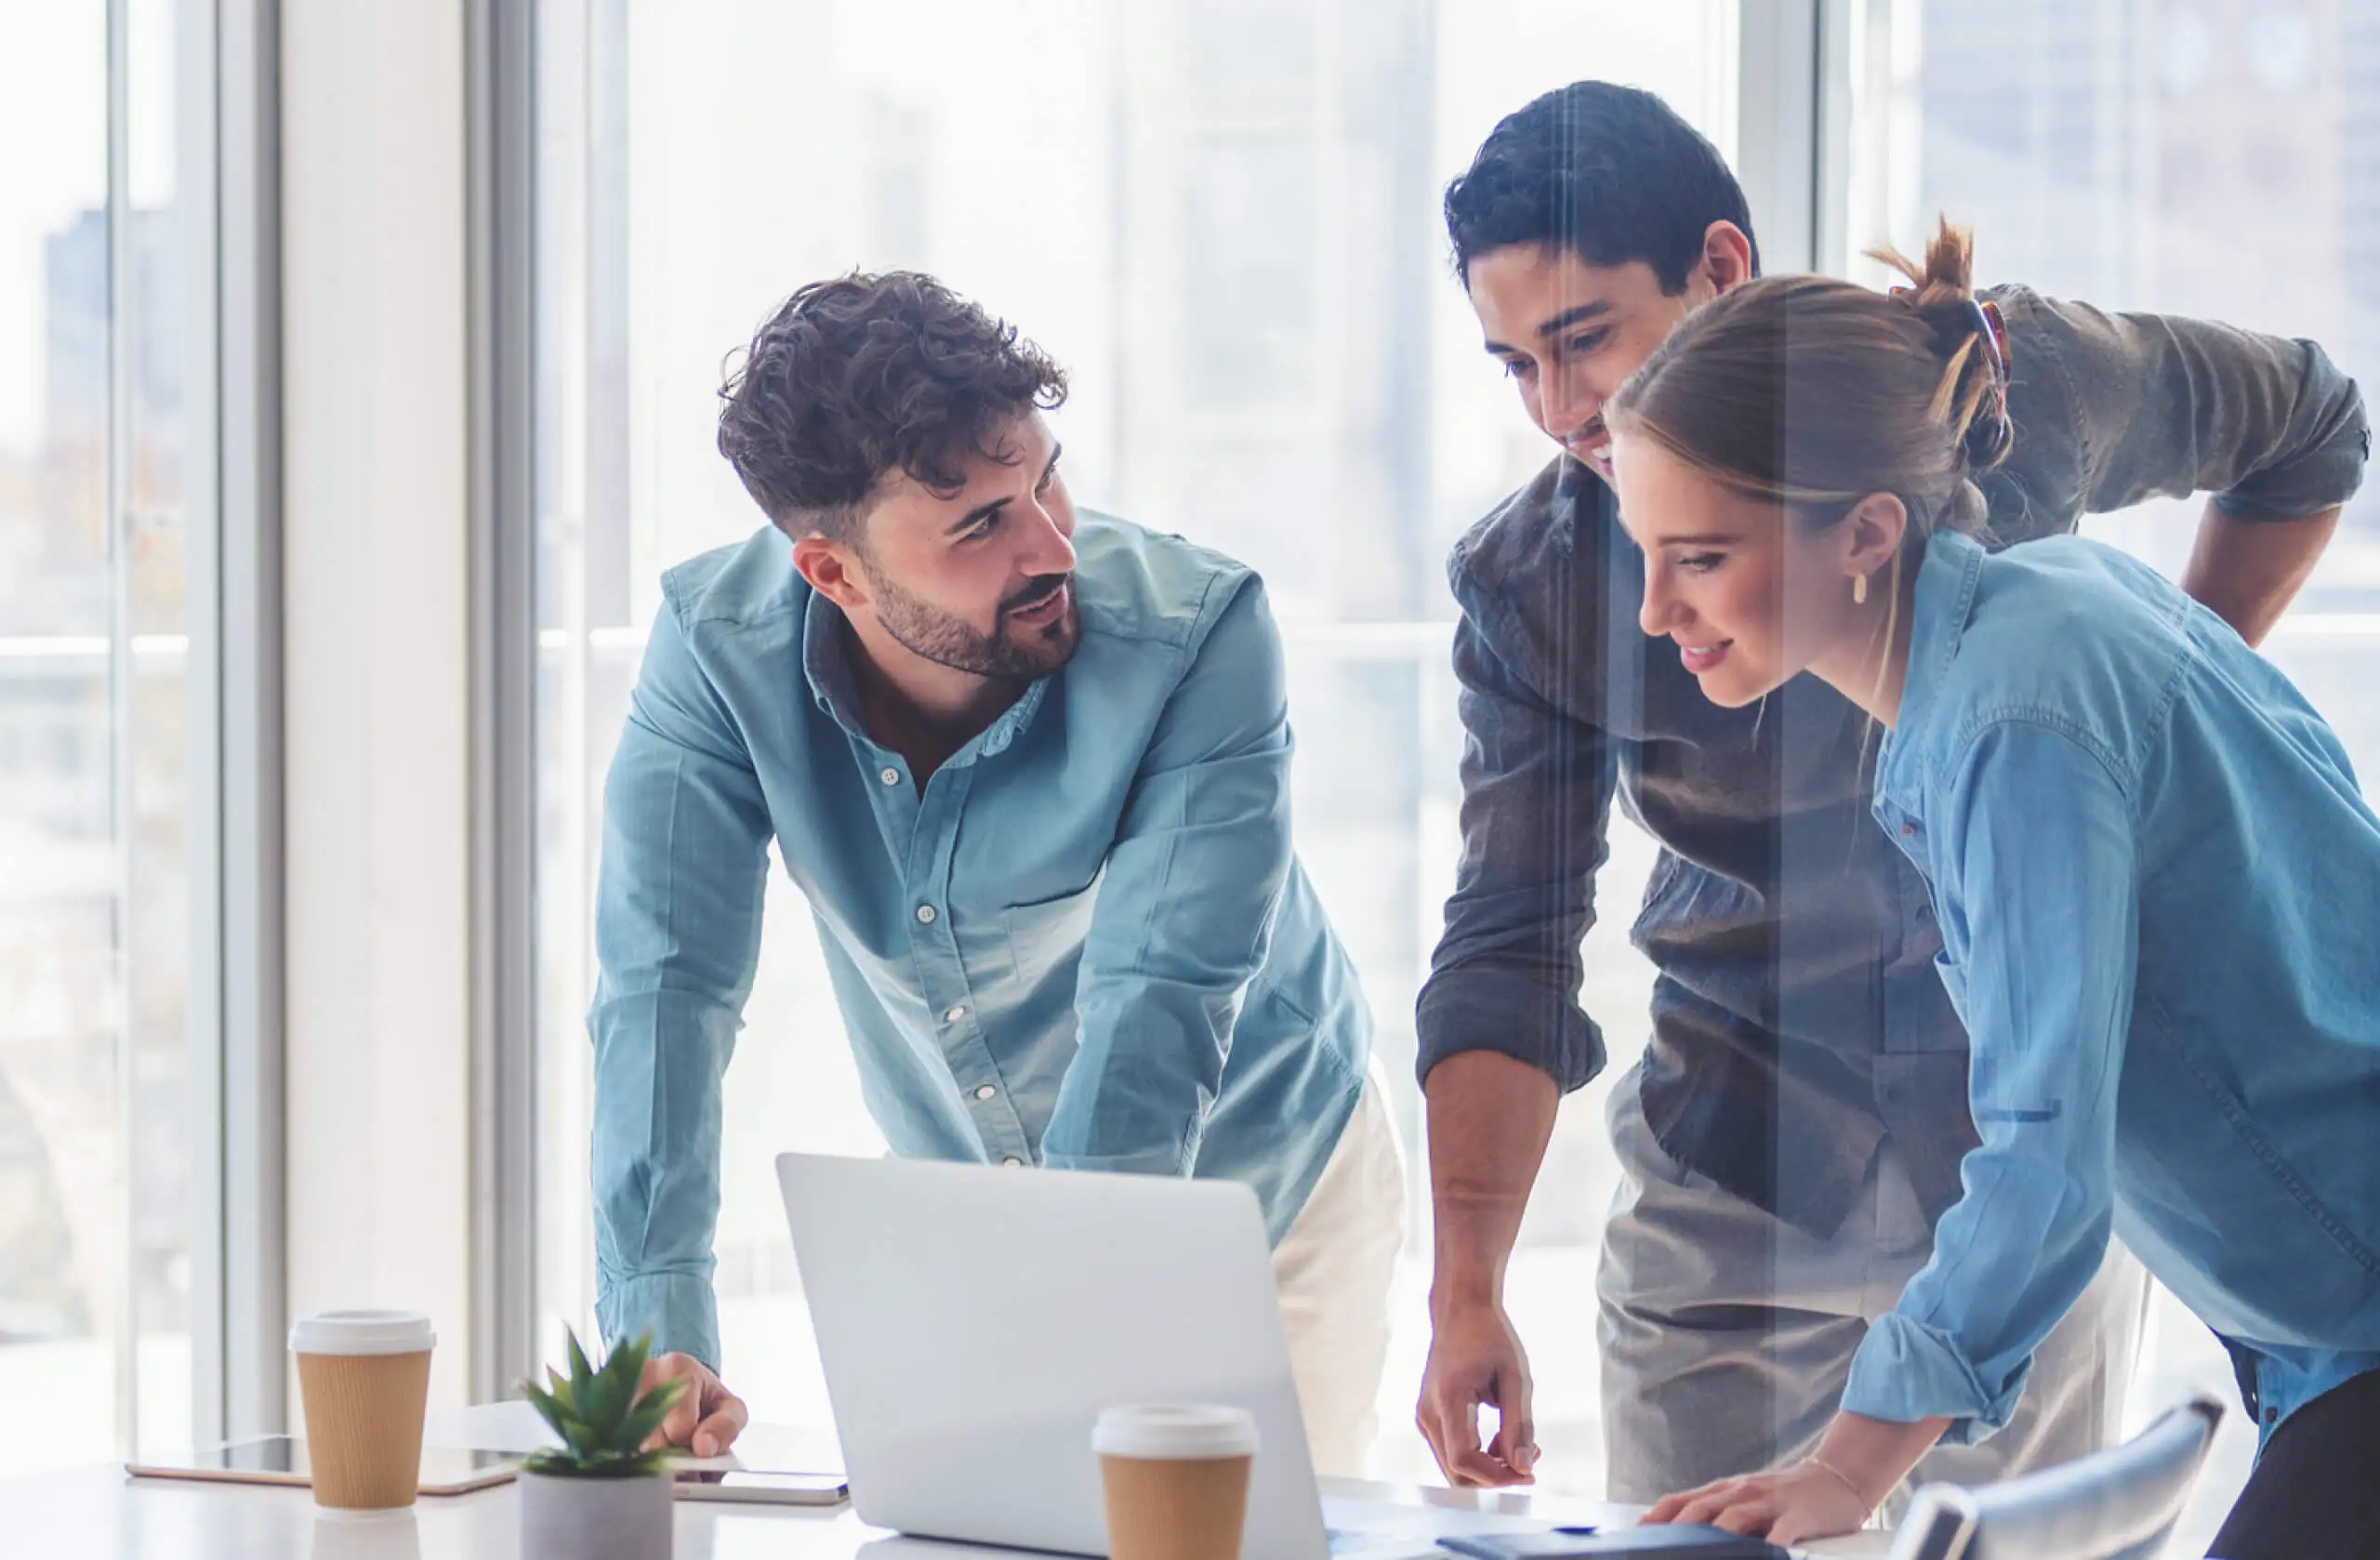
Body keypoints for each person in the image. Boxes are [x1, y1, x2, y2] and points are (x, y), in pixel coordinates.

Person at [1414, 81, 2365, 1510]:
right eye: (1513, 369)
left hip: (2261, 1270)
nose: (1563, 418)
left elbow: (2044, 1155)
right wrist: (1468, 1283)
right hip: (1777, 1149)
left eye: (1583, 343)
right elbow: (1507, 939)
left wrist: (1850, 1469)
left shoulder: (2024, 689)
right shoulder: (2022, 640)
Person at [1608, 219, 2380, 1557]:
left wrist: (1849, 1468)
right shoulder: (2056, 611)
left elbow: (2042, 1158)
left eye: (1701, 556)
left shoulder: (2015, 719)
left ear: (1864, 531)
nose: (1653, 611)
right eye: (1645, 551)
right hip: (2326, 1332)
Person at [592, 271, 1406, 1471]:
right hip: (968, 1199)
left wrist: (1065, 1331)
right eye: (978, 523)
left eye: (1043, 479)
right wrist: (657, 1336)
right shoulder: (718, 653)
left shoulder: (1199, 632)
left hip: (1257, 1184)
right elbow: (664, 990)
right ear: (834, 573)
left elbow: (1158, 998)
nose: (1052, 543)